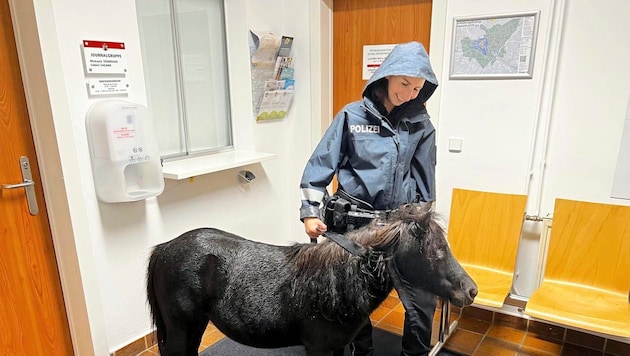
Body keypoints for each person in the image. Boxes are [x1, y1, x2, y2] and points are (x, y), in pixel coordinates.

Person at [298, 41, 439, 356]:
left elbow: (425, 181)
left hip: (399, 226)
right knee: (350, 298)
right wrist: (310, 212)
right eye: (404, 84)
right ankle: (361, 350)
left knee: (421, 299)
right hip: (353, 225)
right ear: (386, 76)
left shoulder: (421, 125)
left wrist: (424, 224)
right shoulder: (351, 116)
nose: (409, 93)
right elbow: (318, 167)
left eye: (417, 88)